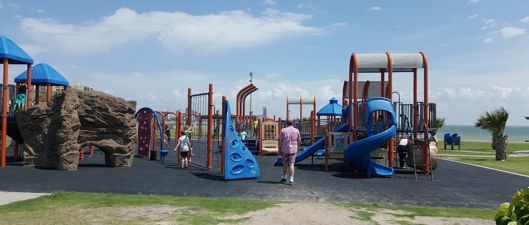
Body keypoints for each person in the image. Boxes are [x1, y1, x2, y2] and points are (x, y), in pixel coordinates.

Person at [279, 120, 301, 185]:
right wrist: (298, 147)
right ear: (293, 124)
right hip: (293, 150)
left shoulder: (283, 130)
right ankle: (291, 179)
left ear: (286, 123)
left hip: (285, 149)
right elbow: (299, 140)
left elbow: (280, 140)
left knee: (285, 164)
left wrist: (279, 148)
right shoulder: (296, 131)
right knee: (292, 164)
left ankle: (285, 176)